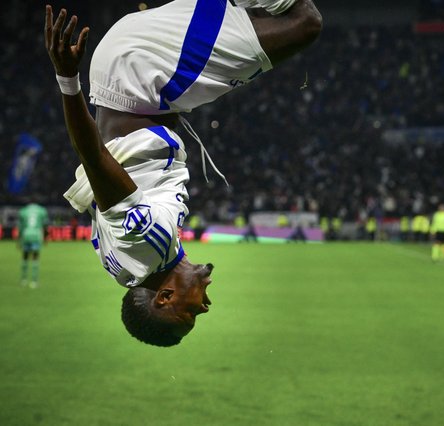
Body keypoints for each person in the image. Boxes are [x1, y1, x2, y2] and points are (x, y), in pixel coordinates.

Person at [44, 0, 322, 346]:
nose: (205, 307)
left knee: (303, 23)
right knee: (263, 18)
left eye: (190, 315)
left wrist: (67, 79)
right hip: (142, 82)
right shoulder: (126, 270)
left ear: (164, 298)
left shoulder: (147, 245)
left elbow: (95, 158)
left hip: (141, 75)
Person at [17, 203, 49, 288]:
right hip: (36, 235)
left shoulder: (23, 211)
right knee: (35, 258)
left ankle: (23, 280)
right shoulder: (41, 210)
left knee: (25, 257)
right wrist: (45, 237)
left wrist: (19, 240)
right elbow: (45, 225)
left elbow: (20, 227)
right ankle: (34, 281)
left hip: (26, 235)